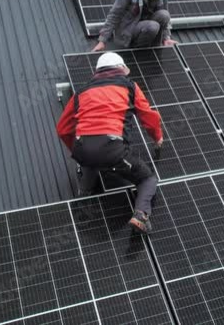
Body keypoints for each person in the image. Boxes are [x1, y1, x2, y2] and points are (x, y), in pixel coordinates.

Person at [56, 52, 163, 233]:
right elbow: (148, 116)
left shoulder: (81, 93)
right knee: (147, 179)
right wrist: (157, 137)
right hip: (111, 148)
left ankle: (84, 194)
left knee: (90, 164)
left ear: (98, 72)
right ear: (121, 69)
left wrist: (78, 152)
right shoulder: (129, 86)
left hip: (83, 148)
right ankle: (141, 215)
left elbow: (63, 129)